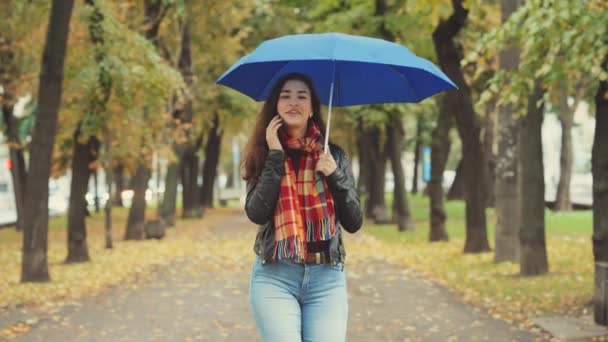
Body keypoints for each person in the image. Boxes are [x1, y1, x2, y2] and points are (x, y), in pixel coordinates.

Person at [241, 73, 363, 342]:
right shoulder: (263, 154)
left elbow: (354, 221)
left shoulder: (334, 156)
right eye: (285, 96)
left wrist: (334, 176)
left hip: (326, 278)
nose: (293, 102)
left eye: (301, 96)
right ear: (275, 106)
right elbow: (256, 212)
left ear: (311, 109)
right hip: (275, 275)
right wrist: (275, 155)